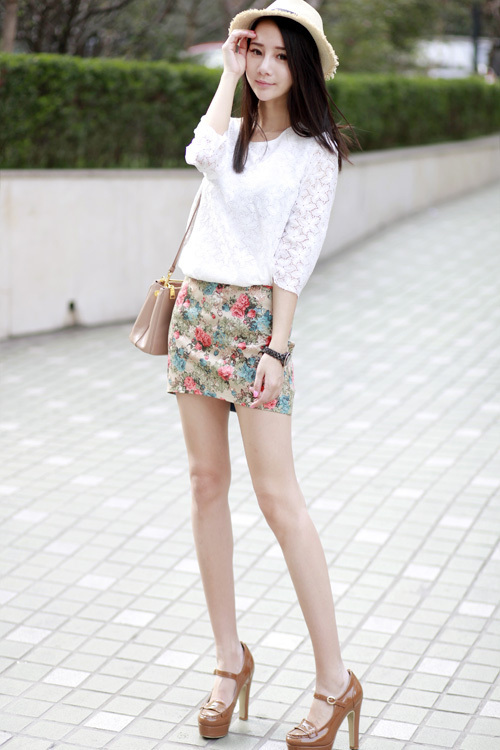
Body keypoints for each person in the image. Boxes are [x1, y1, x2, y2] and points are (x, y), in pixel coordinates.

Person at [166, 1, 362, 748]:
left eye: (281, 55)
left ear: (302, 66)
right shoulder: (232, 133)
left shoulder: (316, 153)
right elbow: (199, 153)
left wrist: (277, 350)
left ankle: (335, 680)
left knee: (280, 499)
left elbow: (294, 260)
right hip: (196, 312)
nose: (265, 66)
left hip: (255, 328)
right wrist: (225, 74)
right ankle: (228, 660)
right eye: (257, 51)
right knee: (204, 483)